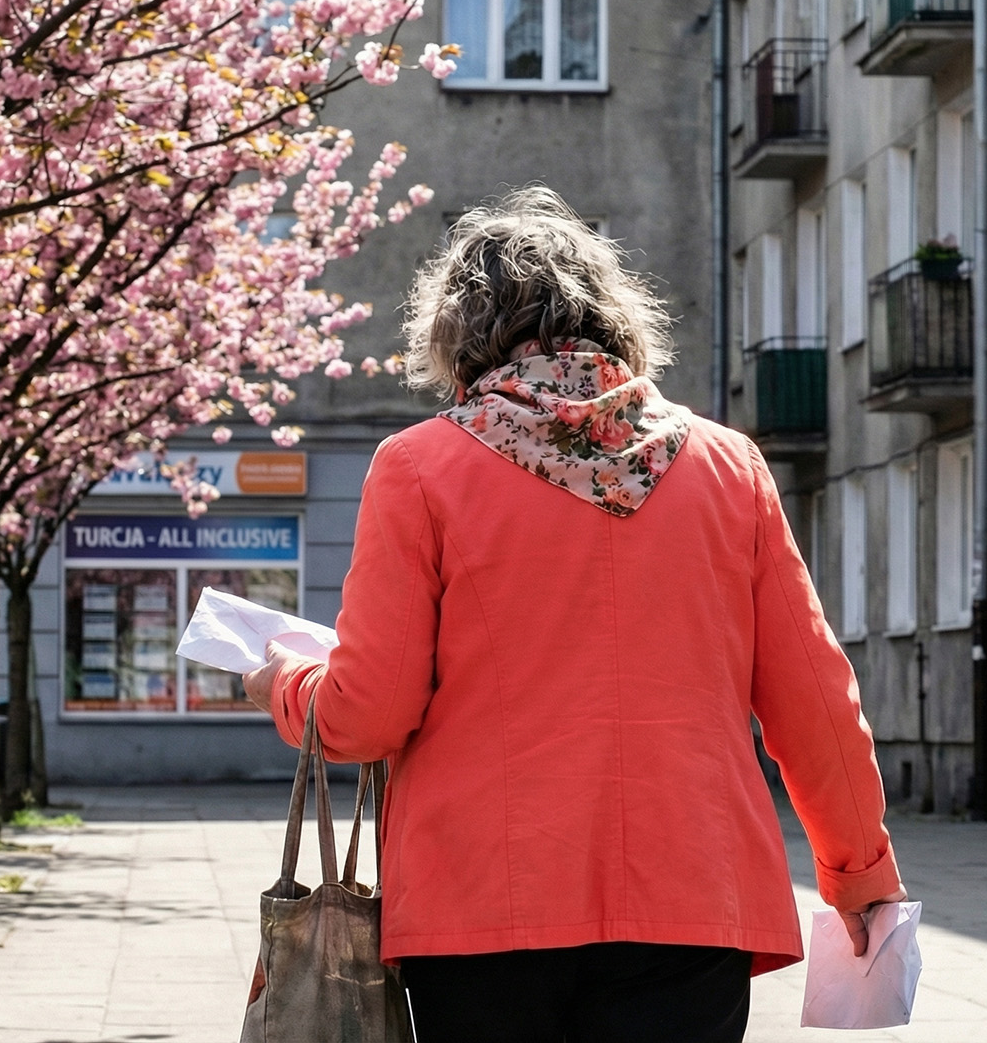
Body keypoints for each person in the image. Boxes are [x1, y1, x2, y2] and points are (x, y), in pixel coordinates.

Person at [243, 186, 904, 1042]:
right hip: (692, 898)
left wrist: (285, 685)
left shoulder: (419, 468)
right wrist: (859, 875)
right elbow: (815, 700)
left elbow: (368, 713)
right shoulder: (728, 467)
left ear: (458, 333)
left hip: (481, 908)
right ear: (614, 318)